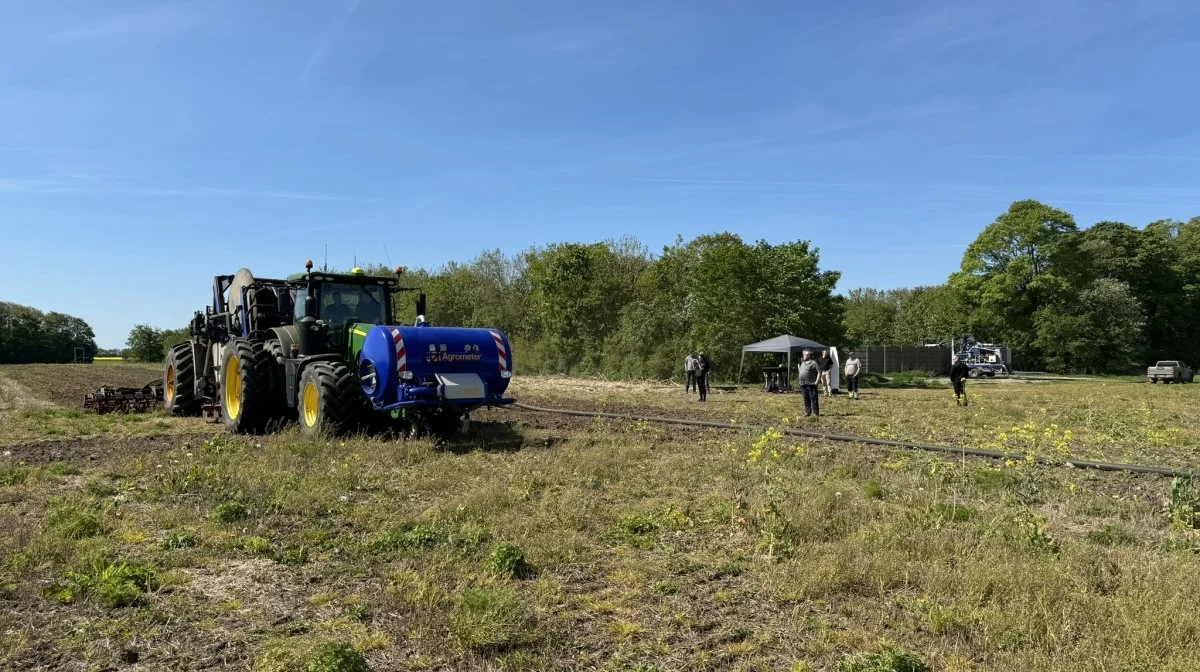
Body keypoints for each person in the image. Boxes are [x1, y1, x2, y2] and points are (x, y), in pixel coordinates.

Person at [797, 350, 820, 416]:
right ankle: (808, 411)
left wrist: (817, 382)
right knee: (806, 398)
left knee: (813, 398)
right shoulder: (803, 363)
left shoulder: (814, 363)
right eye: (803, 354)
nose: (803, 355)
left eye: (804, 354)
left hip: (811, 384)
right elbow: (801, 371)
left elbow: (819, 372)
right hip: (803, 384)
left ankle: (815, 413)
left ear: (809, 355)